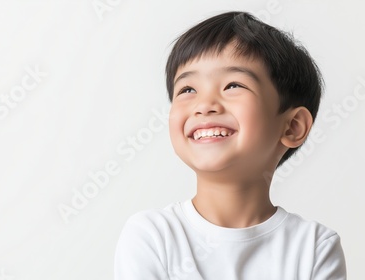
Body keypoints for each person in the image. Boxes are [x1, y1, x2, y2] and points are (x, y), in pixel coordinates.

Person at [114, 11, 346, 279]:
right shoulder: (152, 235)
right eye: (187, 89)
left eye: (233, 85)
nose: (204, 105)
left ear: (292, 126)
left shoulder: (314, 246)